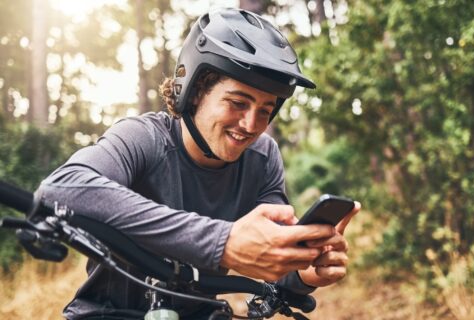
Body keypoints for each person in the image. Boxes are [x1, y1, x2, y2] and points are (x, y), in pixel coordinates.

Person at [37, 7, 361, 320]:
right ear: (194, 92)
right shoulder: (144, 138)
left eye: (266, 109)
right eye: (237, 103)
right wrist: (222, 243)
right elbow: (63, 189)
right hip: (108, 313)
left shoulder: (262, 157)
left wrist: (300, 272)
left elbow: (273, 265)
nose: (251, 124)